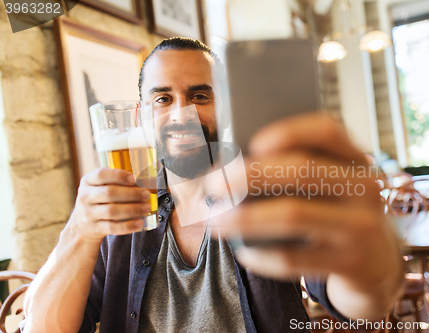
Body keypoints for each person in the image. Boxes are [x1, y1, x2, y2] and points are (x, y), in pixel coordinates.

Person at [22, 38, 405, 333]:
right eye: (162, 98)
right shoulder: (118, 214)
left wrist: (369, 262)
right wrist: (78, 231)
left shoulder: (266, 190)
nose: (181, 114)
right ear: (140, 114)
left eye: (199, 96)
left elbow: (357, 301)